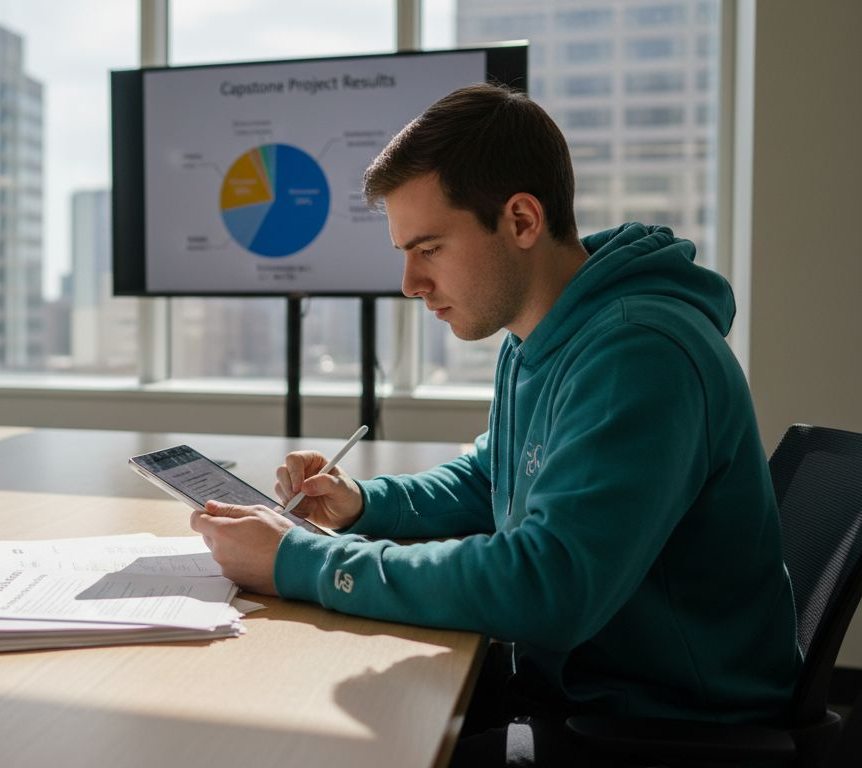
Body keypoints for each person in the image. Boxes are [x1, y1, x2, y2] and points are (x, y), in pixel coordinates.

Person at [189, 83, 802, 766]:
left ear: (520, 221)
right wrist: (364, 503)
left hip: (661, 728)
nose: (409, 284)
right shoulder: (540, 332)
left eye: (429, 248)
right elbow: (494, 480)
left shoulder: (641, 353)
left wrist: (301, 561)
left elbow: (549, 584)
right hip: (576, 689)